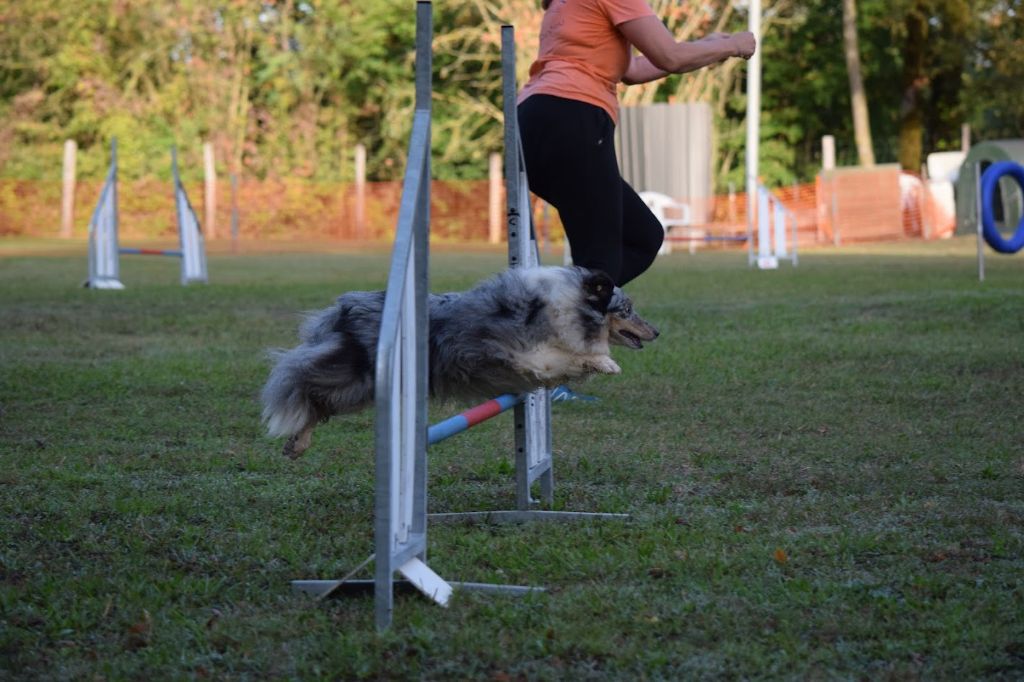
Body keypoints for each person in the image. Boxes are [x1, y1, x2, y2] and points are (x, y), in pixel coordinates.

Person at [517, 0, 756, 287]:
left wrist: (706, 46)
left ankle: (559, 302)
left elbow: (631, 69)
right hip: (574, 114)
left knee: (642, 236)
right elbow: (671, 56)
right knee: (600, 259)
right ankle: (560, 313)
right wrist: (735, 45)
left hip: (532, 121)